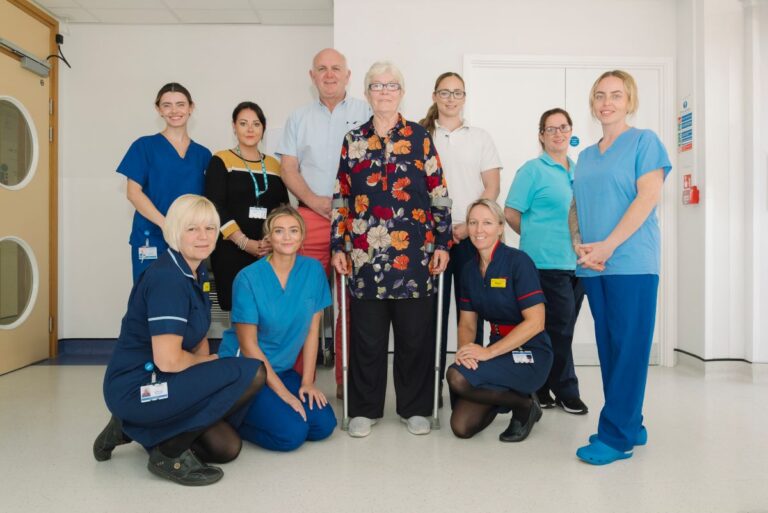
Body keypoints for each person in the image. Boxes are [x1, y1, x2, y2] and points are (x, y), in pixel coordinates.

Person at [94, 195, 266, 486]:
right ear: (175, 230)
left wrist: (206, 367)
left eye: (210, 228)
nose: (203, 236)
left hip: (162, 379)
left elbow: (196, 336)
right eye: (192, 229)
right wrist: (208, 364)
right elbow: (169, 360)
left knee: (225, 447)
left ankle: (129, 428)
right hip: (137, 387)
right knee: (253, 372)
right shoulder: (168, 280)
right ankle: (166, 453)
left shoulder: (193, 270)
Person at [331, 61, 452, 438]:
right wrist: (339, 244)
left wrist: (443, 243)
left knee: (415, 337)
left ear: (401, 92)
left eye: (391, 85)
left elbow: (440, 194)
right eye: (377, 86)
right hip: (365, 257)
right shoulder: (353, 140)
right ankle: (365, 410)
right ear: (367, 93)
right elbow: (342, 198)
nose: (384, 91)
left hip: (414, 255)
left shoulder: (419, 137)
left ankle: (415, 408)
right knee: (367, 338)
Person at [571, 70, 671, 465]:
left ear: (629, 100)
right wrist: (579, 244)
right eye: (600, 95)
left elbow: (647, 199)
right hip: (593, 265)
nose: (606, 102)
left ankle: (616, 438)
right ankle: (632, 422)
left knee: (629, 349)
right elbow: (577, 204)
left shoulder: (644, 142)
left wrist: (608, 246)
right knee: (611, 349)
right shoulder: (585, 155)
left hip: (631, 262)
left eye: (615, 94)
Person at [276, 48, 371, 398]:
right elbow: (288, 168)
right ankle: (298, 379)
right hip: (310, 218)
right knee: (303, 301)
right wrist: (316, 202)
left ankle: (349, 382)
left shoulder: (367, 112)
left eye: (336, 69)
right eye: (322, 69)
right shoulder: (297, 118)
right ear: (312, 75)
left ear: (348, 75)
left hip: (357, 222)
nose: (329, 74)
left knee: (353, 304)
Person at [218, 205, 337, 451]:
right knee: (291, 435)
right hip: (248, 373)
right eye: (279, 231)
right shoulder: (248, 278)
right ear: (268, 237)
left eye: (293, 231)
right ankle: (227, 414)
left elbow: (312, 331)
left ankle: (274, 408)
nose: (287, 237)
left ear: (302, 236)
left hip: (281, 369)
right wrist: (283, 394)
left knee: (323, 425)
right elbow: (249, 346)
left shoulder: (313, 271)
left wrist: (307, 383)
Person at [419, 71, 502, 405]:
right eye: (444, 92)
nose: (451, 98)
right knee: (430, 317)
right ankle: (430, 392)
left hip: (473, 238)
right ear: (435, 95)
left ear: (464, 97)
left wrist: (469, 226)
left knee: (471, 314)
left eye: (457, 92)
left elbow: (492, 189)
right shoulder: (420, 135)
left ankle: (470, 383)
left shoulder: (480, 137)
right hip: (430, 239)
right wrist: (437, 229)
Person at [446, 199, 553, 442]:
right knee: (461, 426)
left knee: (456, 376)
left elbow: (536, 322)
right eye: (473, 223)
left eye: (487, 222)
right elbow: (468, 324)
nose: (478, 229)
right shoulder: (469, 270)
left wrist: (487, 353)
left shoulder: (518, 262)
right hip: (498, 351)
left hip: (530, 353)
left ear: (500, 227)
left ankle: (525, 407)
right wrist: (466, 353)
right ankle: (516, 398)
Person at [504, 108, 587, 415]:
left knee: (560, 329)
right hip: (543, 263)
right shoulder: (532, 170)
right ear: (541, 135)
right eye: (550, 129)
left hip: (576, 263)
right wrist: (536, 238)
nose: (557, 133)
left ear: (570, 131)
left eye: (563, 127)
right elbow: (511, 212)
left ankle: (541, 385)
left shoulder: (578, 170)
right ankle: (566, 390)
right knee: (558, 328)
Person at [117, 83, 212, 283]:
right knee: (150, 297)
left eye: (180, 104)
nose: (174, 111)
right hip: (152, 237)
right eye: (167, 105)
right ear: (158, 109)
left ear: (191, 108)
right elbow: (133, 193)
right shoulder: (144, 146)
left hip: (191, 239)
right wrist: (167, 225)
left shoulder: (203, 154)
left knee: (190, 299)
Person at [205, 101, 289, 311]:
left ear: (263, 128)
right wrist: (244, 242)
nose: (250, 129)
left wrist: (271, 239)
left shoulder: (274, 164)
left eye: (256, 124)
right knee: (239, 309)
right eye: (243, 123)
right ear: (234, 127)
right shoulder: (221, 160)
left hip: (268, 250)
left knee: (267, 309)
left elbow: (283, 207)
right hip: (231, 248)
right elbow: (215, 206)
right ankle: (240, 346)